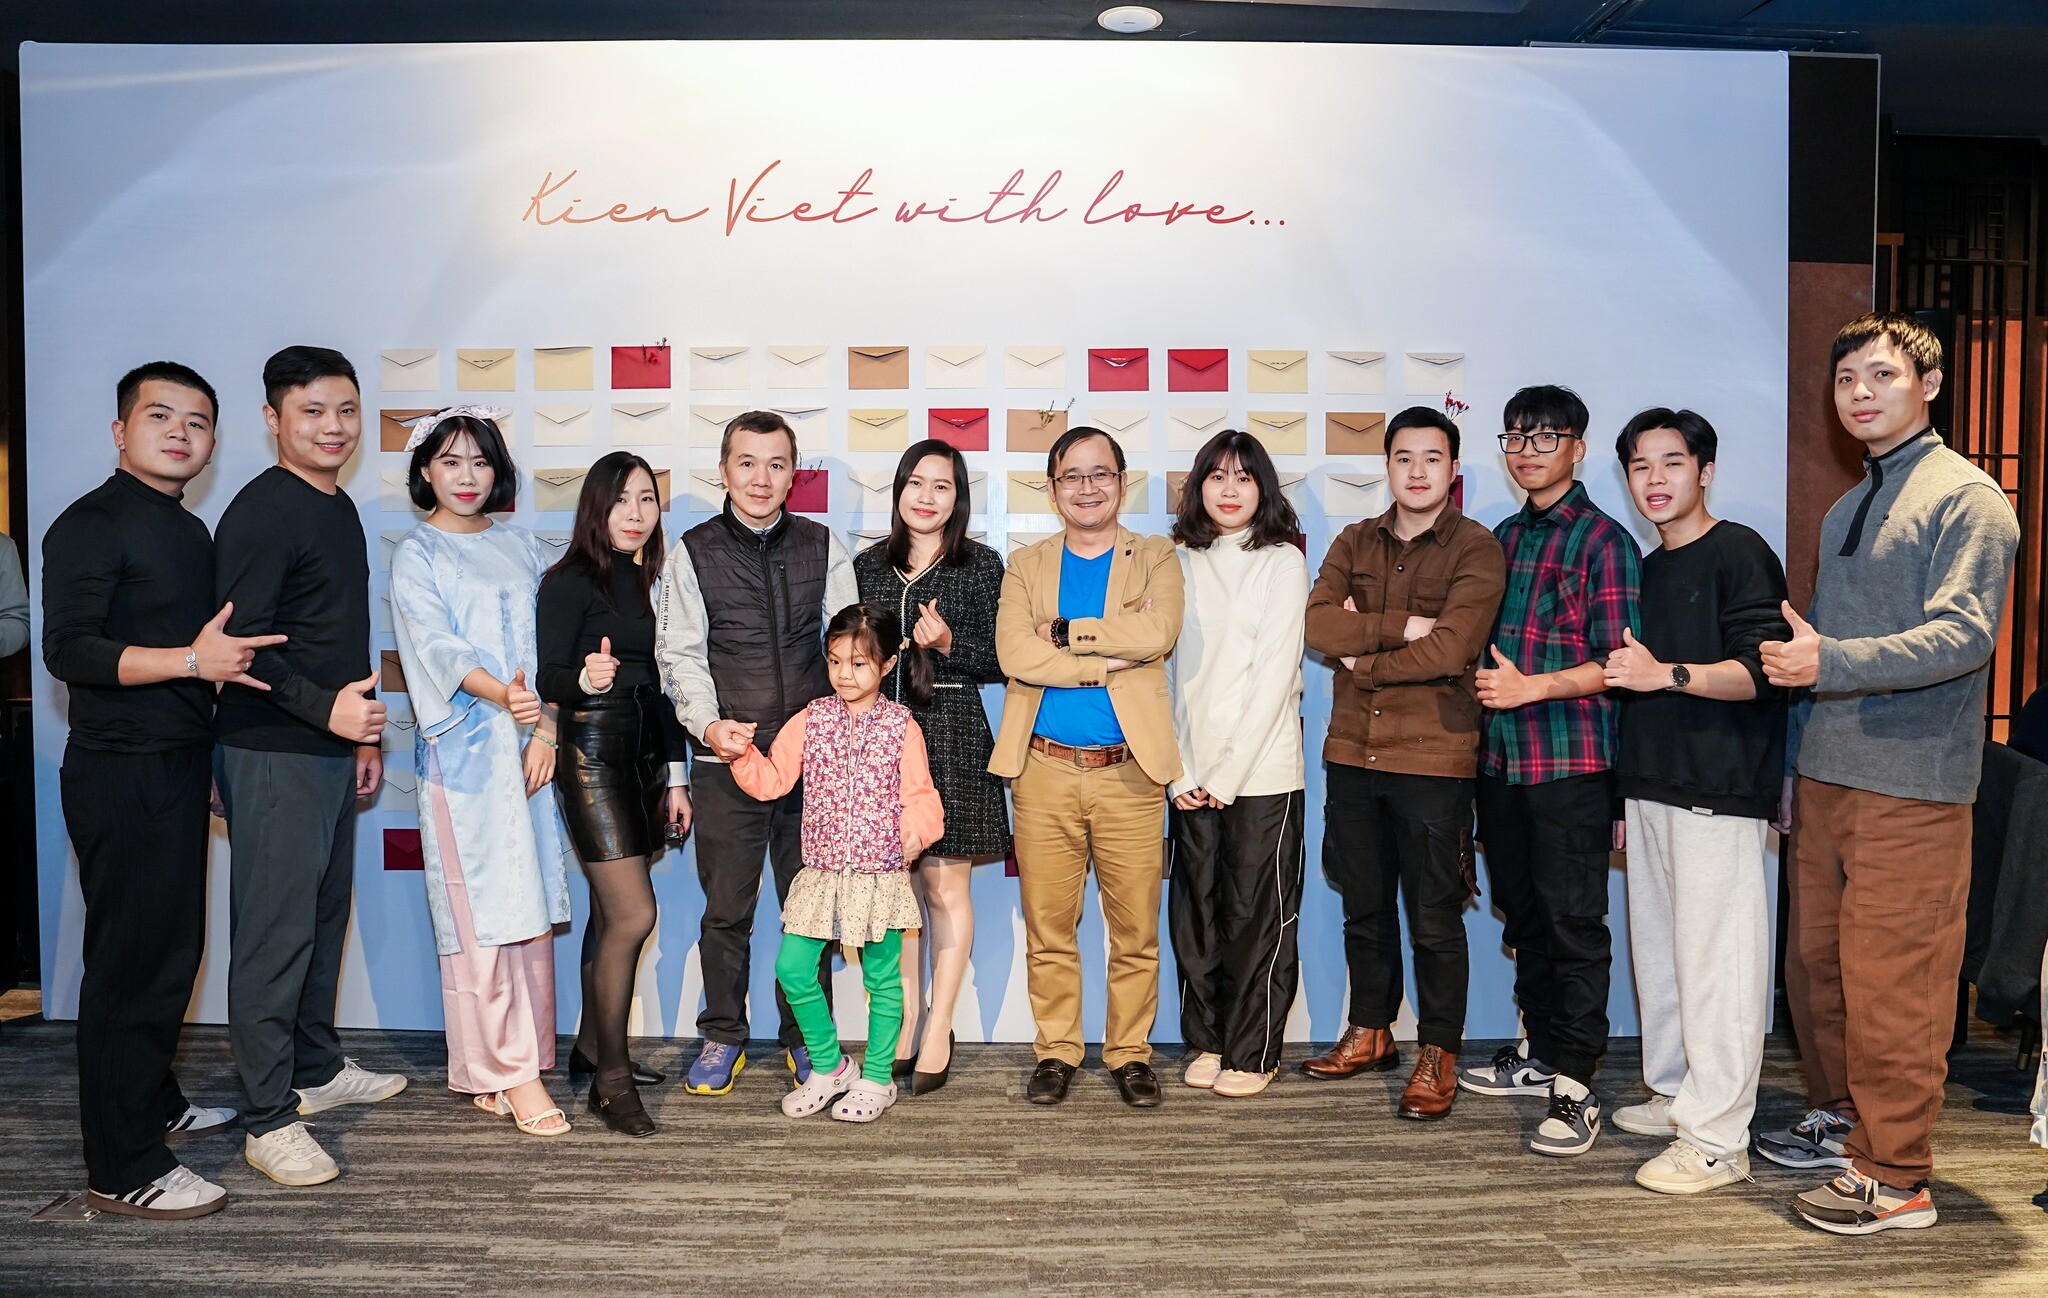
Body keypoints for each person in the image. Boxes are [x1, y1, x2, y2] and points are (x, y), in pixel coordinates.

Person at [1760, 312, 2019, 1235]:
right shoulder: (1845, 505)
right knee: (1819, 973)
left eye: (1882, 374)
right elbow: (1813, 653)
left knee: (1895, 983)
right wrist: (1794, 764)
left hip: (1914, 785)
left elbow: (1964, 636)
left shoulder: (1969, 499)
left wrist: (1830, 662)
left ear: (1930, 384)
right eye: (1846, 380)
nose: (1861, 393)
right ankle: (1845, 1122)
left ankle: (1898, 1174)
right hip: (1828, 775)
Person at [41, 362, 273, 1218]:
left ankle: (154, 1102)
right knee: (133, 969)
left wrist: (204, 751)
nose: (180, 432)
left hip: (174, 764)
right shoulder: (90, 523)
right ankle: (122, 1165)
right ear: (119, 431)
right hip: (120, 772)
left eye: (198, 422)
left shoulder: (186, 528)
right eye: (160, 416)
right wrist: (190, 661)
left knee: (172, 953)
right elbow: (68, 650)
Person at [214, 346, 406, 1188]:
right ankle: (265, 1119)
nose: (334, 427)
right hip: (270, 748)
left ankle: (314, 1070)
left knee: (322, 921)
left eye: (346, 410)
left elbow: (337, 632)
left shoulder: (337, 504)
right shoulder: (263, 511)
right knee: (273, 936)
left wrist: (357, 733)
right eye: (313, 411)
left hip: (327, 746)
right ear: (273, 418)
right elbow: (236, 648)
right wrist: (326, 711)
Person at [1601, 408, 1789, 1194]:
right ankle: (1677, 1094)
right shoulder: (1646, 567)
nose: (1655, 479)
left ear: (1704, 472)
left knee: (1719, 966)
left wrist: (1667, 675)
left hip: (1719, 787)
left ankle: (1717, 1141)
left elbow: (1764, 671)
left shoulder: (1739, 551)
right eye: (1640, 465)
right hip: (1651, 786)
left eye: (1671, 462)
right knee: (1665, 960)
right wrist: (1622, 795)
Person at [1303, 406, 1506, 1120]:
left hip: (1433, 761)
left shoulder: (1476, 547)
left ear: (1454, 469)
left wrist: (1363, 661)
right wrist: (1400, 628)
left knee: (1434, 917)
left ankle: (1439, 1050)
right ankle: (1372, 1030)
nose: (1417, 472)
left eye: (1432, 458)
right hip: (1353, 754)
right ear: (1386, 466)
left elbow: (1452, 650)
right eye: (1403, 458)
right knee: (1363, 905)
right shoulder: (1354, 539)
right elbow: (1318, 622)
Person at [1456, 384, 1641, 1158]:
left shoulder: (1604, 541)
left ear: (1577, 448)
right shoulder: (1501, 536)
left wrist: (1532, 688)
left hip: (1570, 760)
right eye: (1515, 438)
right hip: (1501, 760)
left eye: (1544, 438)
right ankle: (1539, 1055)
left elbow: (1620, 662)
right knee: (1524, 915)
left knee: (1573, 923)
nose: (1527, 452)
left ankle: (1577, 1081)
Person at [387, 408, 574, 1139]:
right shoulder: (417, 553)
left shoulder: (519, 545)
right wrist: (504, 697)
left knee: (528, 906)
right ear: (424, 471)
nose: (467, 477)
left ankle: (511, 1063)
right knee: (482, 912)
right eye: (450, 462)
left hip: (529, 746)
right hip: (464, 754)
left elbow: (551, 646)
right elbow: (435, 648)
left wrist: (545, 727)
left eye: (480, 462)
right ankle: (511, 1072)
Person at [656, 411, 855, 1094]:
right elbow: (679, 655)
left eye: (775, 464)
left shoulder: (824, 546)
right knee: (726, 912)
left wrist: (835, 734)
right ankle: (722, 1035)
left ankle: (808, 1039)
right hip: (726, 763)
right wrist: (709, 726)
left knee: (811, 914)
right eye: (747, 463)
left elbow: (847, 652)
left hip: (810, 766)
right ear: (724, 470)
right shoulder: (693, 552)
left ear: (793, 474)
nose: (761, 477)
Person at [993, 425, 1185, 1108]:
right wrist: (1107, 661)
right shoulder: (1026, 565)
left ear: (1121, 482)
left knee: (1135, 931)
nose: (1086, 487)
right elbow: (1015, 654)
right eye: (1071, 476)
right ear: (1052, 490)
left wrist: (1065, 634)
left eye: (1100, 473)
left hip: (1131, 774)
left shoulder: (1155, 555)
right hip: (1042, 771)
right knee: (1050, 928)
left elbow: (1158, 633)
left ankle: (1130, 1053)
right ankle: (1057, 1051)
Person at [730, 604, 946, 1124]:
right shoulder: (812, 719)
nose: (844, 674)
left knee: (883, 981)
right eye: (835, 661)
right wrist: (741, 753)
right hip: (822, 873)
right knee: (792, 969)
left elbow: (920, 795)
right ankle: (829, 1067)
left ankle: (878, 1078)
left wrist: (914, 835)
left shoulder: (902, 726)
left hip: (879, 876)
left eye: (858, 663)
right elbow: (774, 779)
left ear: (887, 665)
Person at [538, 451, 691, 1137]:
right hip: (591, 754)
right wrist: (585, 679)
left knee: (608, 916)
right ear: (596, 507)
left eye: (647, 500)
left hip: (644, 754)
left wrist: (676, 776)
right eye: (622, 499)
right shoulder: (568, 580)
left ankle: (592, 1050)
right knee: (633, 915)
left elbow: (663, 687)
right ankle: (612, 1083)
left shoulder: (651, 580)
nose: (635, 514)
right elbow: (549, 674)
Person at [853, 439, 1009, 1095]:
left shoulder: (982, 564)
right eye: (915, 483)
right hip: (878, 739)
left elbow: (1004, 657)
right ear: (897, 491)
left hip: (951, 731)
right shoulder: (867, 565)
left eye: (941, 486)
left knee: (945, 889)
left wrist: (949, 643)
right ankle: (905, 1022)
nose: (926, 497)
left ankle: (939, 1025)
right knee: (897, 897)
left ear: (958, 498)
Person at [1165, 429, 1309, 1099]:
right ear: (1198, 488)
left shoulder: (1282, 562)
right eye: (1216, 476)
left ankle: (1253, 1052)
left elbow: (1274, 677)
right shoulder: (1176, 560)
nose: (1229, 490)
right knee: (1196, 916)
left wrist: (1226, 775)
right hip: (1190, 774)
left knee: (1256, 918)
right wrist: (1180, 771)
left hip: (1261, 774)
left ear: (1263, 489)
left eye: (1243, 478)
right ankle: (1208, 1040)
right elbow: (1164, 674)